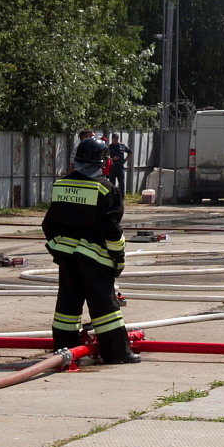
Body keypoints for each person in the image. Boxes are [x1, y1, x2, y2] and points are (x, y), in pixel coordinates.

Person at [42, 136, 140, 363]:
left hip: (67, 260)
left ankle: (64, 352)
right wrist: (119, 258)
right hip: (96, 262)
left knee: (66, 308)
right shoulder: (105, 190)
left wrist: (59, 250)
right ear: (104, 163)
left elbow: (49, 225)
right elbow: (111, 231)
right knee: (106, 310)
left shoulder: (60, 186)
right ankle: (117, 354)